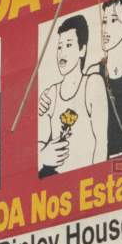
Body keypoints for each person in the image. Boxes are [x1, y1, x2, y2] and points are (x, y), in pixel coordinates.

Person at [38, 14, 108, 175]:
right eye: (59, 46)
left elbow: (101, 144)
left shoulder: (93, 84)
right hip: (54, 187)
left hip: (86, 183)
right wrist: (42, 155)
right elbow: (39, 141)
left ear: (82, 50)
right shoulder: (50, 94)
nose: (62, 53)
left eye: (69, 45)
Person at [87, 0, 122, 157]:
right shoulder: (93, 73)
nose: (106, 29)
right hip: (108, 161)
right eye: (104, 21)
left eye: (114, 20)